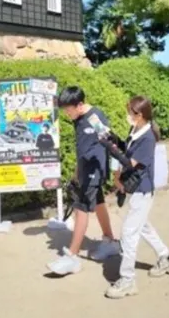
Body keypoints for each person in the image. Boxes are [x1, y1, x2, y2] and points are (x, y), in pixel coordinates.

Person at [99, 95, 169, 299]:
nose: (127, 116)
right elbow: (127, 148)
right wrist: (114, 139)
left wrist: (111, 149)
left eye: (130, 112)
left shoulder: (148, 136)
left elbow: (130, 162)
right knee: (142, 226)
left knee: (128, 234)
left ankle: (127, 280)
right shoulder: (137, 129)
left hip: (142, 190)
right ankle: (164, 256)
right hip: (136, 190)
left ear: (139, 115)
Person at [47, 86, 120, 275]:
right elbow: (81, 148)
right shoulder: (78, 119)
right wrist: (76, 171)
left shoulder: (96, 118)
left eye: (68, 110)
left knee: (81, 209)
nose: (67, 114)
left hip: (94, 171)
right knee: (99, 203)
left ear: (79, 105)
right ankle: (110, 241)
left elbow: (111, 144)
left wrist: (115, 172)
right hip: (85, 170)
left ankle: (72, 256)